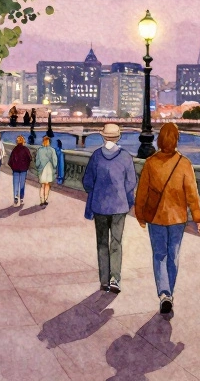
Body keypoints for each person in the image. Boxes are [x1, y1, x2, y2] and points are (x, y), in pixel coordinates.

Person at [134, 122, 200, 315]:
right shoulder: (184, 164)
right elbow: (192, 194)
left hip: (155, 217)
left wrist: (139, 214)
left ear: (158, 140)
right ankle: (169, 294)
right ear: (176, 140)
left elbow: (142, 193)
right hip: (177, 218)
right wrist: (198, 218)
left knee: (159, 255)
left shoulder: (150, 163)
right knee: (173, 256)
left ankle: (164, 293)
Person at [83, 123, 137, 294]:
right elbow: (131, 183)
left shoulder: (96, 156)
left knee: (101, 244)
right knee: (116, 242)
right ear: (118, 137)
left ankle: (104, 280)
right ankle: (115, 278)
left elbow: (87, 182)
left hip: (99, 205)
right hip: (119, 206)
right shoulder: (126, 157)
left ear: (103, 136)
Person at [33, 136, 58, 207]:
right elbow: (54, 161)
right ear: (49, 142)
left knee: (42, 185)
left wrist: (38, 166)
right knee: (47, 185)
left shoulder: (39, 150)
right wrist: (54, 167)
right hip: (49, 168)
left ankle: (42, 200)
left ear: (43, 142)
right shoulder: (52, 150)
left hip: (42, 169)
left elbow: (37, 161)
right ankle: (46, 199)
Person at [8, 135, 32, 207]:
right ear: (23, 141)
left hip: (15, 169)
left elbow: (10, 161)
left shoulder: (14, 149)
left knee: (15, 184)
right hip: (23, 169)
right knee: (22, 184)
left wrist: (13, 167)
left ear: (17, 141)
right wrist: (26, 166)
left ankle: (15, 197)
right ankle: (21, 198)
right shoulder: (26, 149)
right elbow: (30, 158)